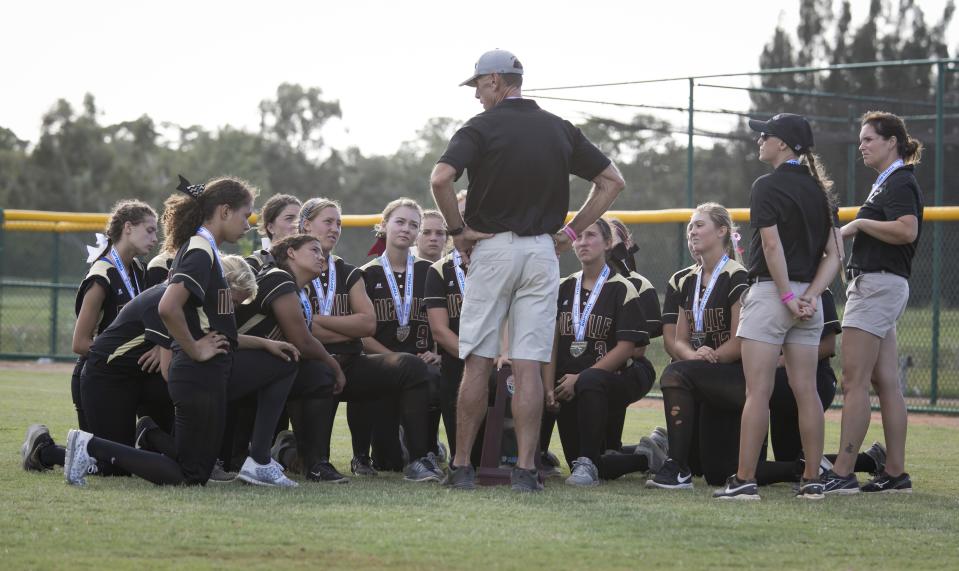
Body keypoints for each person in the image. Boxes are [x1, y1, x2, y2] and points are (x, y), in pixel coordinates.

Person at [430, 49, 626, 491]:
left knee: (477, 361)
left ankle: (462, 467)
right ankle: (524, 471)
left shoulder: (480, 127)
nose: (477, 95)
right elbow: (613, 180)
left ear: (497, 81)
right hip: (542, 252)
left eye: (479, 85)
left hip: (493, 249)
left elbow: (441, 178)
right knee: (529, 366)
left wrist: (457, 230)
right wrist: (572, 233)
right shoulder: (559, 128)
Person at [60, 175, 260, 487]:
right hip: (137, 372)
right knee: (187, 474)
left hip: (193, 372)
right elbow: (169, 308)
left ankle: (143, 434)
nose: (248, 224)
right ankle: (87, 446)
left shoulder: (205, 249)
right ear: (223, 211)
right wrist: (195, 348)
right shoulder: (199, 249)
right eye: (244, 214)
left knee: (196, 470)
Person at [716, 114, 840, 501]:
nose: (760, 140)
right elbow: (835, 254)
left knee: (758, 392)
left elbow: (772, 248)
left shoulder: (766, 185)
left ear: (783, 144)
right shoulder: (821, 191)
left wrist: (787, 296)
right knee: (807, 391)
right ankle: (813, 480)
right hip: (809, 299)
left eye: (765, 136)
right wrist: (811, 295)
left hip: (774, 294)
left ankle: (744, 480)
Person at [286, 197, 441, 483]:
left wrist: (316, 321)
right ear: (306, 225)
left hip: (350, 362)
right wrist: (343, 327)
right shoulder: (289, 268)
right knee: (321, 372)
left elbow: (367, 323)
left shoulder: (348, 271)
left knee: (412, 367)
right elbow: (297, 330)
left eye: (339, 223)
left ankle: (421, 458)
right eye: (328, 222)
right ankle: (310, 458)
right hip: (310, 363)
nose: (335, 228)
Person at [822, 111, 924, 495]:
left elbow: (906, 230)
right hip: (882, 286)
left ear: (891, 142)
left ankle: (844, 471)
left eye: (869, 139)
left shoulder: (898, 181)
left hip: (877, 286)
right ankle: (895, 473)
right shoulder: (887, 182)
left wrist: (860, 225)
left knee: (854, 382)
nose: (862, 145)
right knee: (885, 382)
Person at [542, 219, 662, 487]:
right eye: (578, 237)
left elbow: (628, 347)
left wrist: (581, 378)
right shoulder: (562, 286)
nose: (583, 242)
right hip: (567, 383)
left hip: (610, 379)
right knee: (583, 460)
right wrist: (549, 384)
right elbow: (551, 339)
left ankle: (589, 462)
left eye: (591, 236)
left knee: (590, 382)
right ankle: (647, 458)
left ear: (608, 243)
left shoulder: (622, 287)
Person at [230, 235, 348, 484]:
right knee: (298, 362)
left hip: (256, 370)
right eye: (313, 250)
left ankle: (312, 462)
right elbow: (302, 340)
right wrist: (335, 365)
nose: (321, 256)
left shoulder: (299, 290)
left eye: (322, 252)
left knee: (315, 374)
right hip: (231, 366)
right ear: (291, 253)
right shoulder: (278, 277)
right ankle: (260, 457)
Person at [360, 198, 445, 473]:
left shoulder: (431, 271)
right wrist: (393, 357)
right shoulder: (364, 274)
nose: (406, 229)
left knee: (430, 376)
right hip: (380, 363)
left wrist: (437, 352)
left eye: (413, 225)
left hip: (423, 363)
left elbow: (441, 323)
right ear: (383, 225)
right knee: (389, 463)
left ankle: (427, 449)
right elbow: (361, 335)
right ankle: (389, 446)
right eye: (399, 221)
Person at [69, 201, 157, 435]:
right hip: (98, 375)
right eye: (150, 230)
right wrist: (126, 354)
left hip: (127, 373)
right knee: (108, 464)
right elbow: (79, 343)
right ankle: (43, 448)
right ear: (128, 227)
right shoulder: (102, 276)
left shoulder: (139, 269)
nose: (155, 238)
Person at [247, 193, 302, 273]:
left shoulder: (311, 263)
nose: (297, 224)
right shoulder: (254, 265)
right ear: (270, 227)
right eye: (289, 218)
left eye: (300, 219)